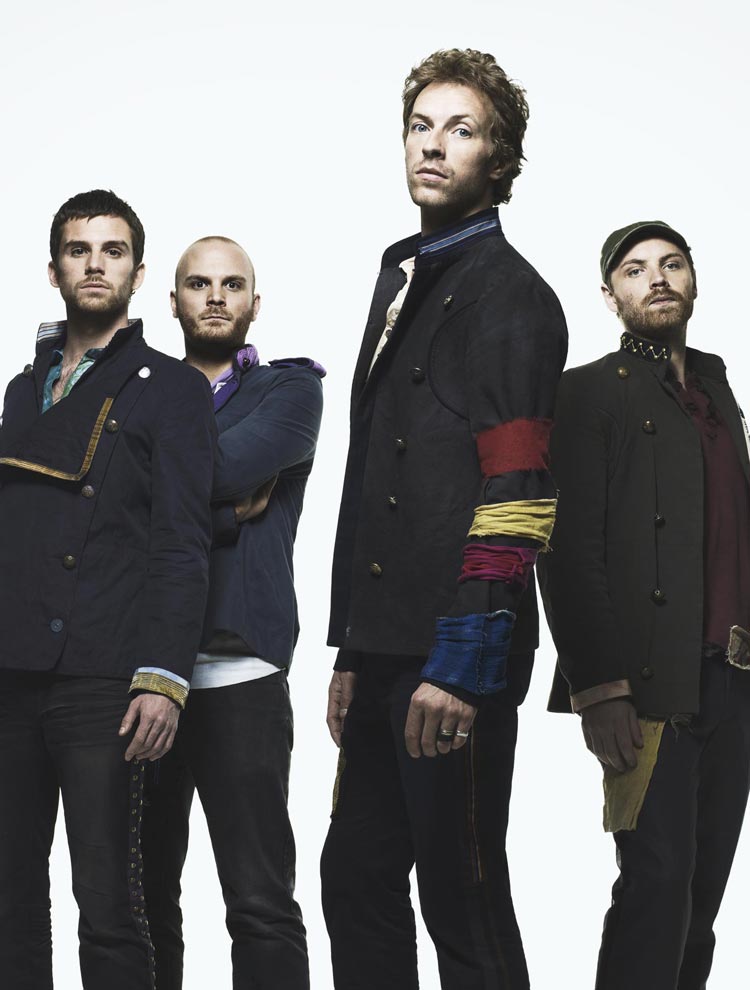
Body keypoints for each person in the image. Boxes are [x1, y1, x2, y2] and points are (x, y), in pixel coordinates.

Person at [321, 49, 568, 989]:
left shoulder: (514, 297)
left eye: (460, 130)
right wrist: (353, 650)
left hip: (456, 654)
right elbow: (376, 479)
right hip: (387, 647)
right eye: (421, 126)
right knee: (355, 879)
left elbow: (519, 495)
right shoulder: (405, 276)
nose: (433, 145)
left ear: (497, 161)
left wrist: (461, 667)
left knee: (461, 902)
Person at [0, 189, 216, 990]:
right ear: (54, 269)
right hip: (11, 673)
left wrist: (163, 676)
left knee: (110, 905)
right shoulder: (22, 388)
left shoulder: (173, 387)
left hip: (105, 677)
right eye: (79, 250)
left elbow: (182, 540)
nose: (95, 264)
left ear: (138, 272)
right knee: (9, 899)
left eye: (113, 250)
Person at [539, 221, 750, 989]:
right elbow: (565, 546)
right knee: (656, 888)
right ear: (610, 295)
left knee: (702, 902)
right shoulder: (586, 390)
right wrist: (598, 686)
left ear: (693, 280)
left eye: (671, 264)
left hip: (734, 682)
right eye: (635, 269)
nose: (657, 278)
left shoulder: (716, 389)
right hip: (650, 685)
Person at [141, 236, 324, 990]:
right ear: (173, 300)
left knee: (259, 901)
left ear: (254, 301)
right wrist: (226, 511)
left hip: (241, 671)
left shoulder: (291, 390)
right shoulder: (139, 392)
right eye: (198, 283)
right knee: (140, 900)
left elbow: (161, 488)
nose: (215, 296)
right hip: (138, 673)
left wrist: (161, 496)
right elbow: (108, 504)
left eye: (231, 284)